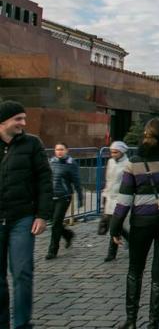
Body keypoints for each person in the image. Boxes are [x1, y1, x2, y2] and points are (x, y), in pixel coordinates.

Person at [110, 118, 159, 329]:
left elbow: (124, 199)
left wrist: (115, 226)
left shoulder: (134, 162)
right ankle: (154, 323)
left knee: (135, 270)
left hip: (141, 222)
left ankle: (131, 320)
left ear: (145, 135)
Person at [0, 100, 52, 329]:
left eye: (24, 118)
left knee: (22, 272)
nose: (23, 122)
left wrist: (42, 215)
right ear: (3, 122)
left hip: (22, 218)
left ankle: (22, 324)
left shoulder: (32, 144)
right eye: (18, 119)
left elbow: (44, 180)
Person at [46, 142, 83, 260]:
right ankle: (68, 234)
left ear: (67, 150)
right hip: (51, 196)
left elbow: (76, 181)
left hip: (64, 197)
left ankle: (52, 250)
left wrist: (80, 197)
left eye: (62, 149)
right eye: (57, 150)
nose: (59, 152)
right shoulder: (51, 162)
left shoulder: (71, 164)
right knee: (53, 221)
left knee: (56, 222)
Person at [100, 141, 130, 262]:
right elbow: (108, 179)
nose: (113, 154)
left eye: (116, 152)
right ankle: (130, 240)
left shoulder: (128, 164)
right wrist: (105, 194)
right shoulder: (110, 162)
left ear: (122, 152)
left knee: (114, 226)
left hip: (120, 198)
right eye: (111, 152)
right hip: (110, 196)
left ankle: (111, 252)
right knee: (116, 227)